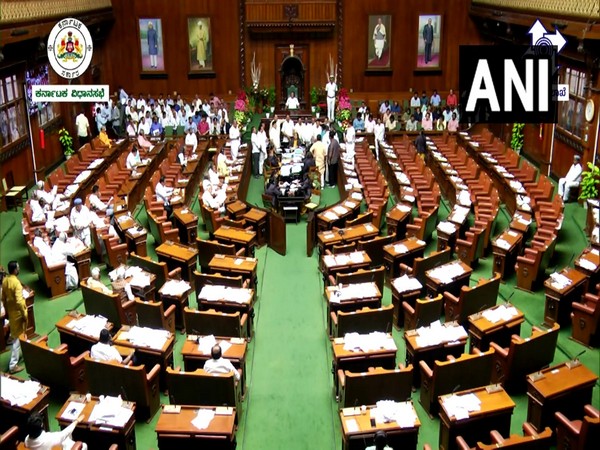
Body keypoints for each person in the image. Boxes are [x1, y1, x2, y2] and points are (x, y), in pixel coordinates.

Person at [2, 261, 26, 374]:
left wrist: (7, 310)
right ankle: (13, 365)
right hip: (18, 314)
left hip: (11, 312)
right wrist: (24, 314)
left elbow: (3, 298)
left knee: (18, 336)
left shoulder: (5, 280)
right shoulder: (16, 283)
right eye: (18, 267)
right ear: (15, 270)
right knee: (17, 339)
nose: (19, 269)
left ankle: (26, 352)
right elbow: (20, 302)